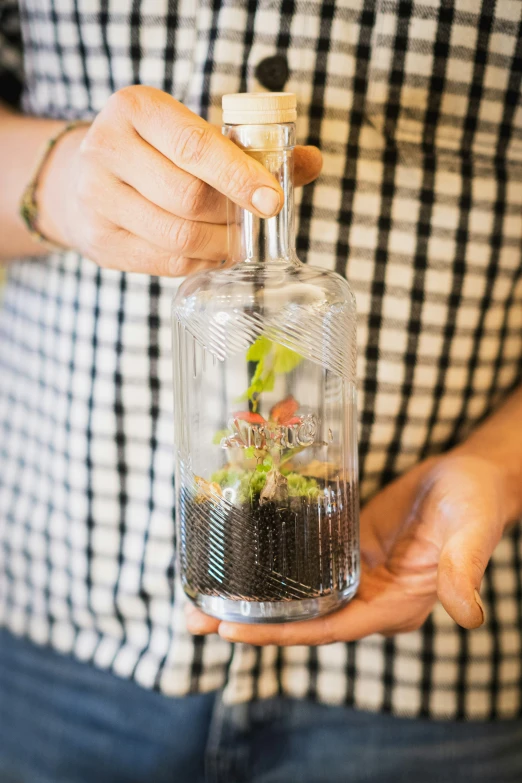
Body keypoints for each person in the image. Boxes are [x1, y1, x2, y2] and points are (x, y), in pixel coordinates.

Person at [1, 1, 522, 781]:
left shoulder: (321, 299)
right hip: (63, 623)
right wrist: (58, 179)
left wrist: (501, 463)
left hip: (421, 681)